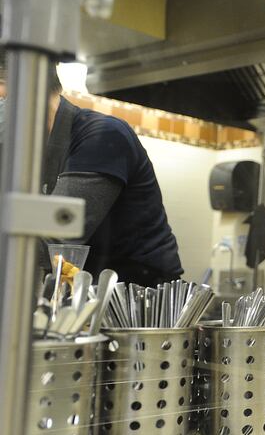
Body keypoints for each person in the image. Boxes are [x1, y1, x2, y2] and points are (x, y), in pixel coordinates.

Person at [41, 68, 182, 286]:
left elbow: (56, 238)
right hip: (85, 288)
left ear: (33, 80)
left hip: (137, 292)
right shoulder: (28, 151)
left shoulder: (102, 135)